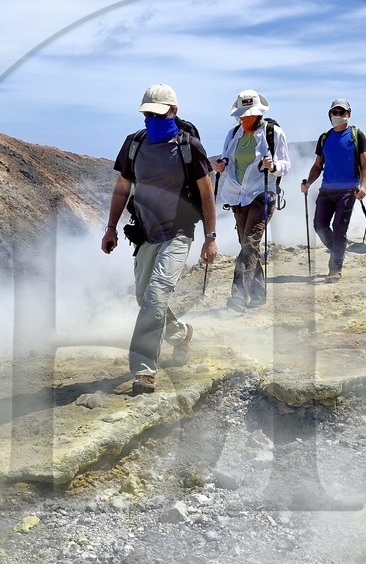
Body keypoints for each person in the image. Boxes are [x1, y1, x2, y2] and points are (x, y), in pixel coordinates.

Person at [102, 83, 219, 394]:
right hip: (145, 233)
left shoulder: (188, 148)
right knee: (144, 298)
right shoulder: (134, 145)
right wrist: (111, 228)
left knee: (154, 298)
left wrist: (210, 238)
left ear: (173, 112)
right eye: (147, 113)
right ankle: (180, 334)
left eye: (158, 113)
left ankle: (143, 372)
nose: (151, 118)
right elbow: (122, 188)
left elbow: (207, 194)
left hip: (179, 232)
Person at [212, 89, 290, 311]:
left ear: (258, 114)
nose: (244, 118)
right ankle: (258, 294)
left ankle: (237, 297)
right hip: (238, 196)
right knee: (248, 246)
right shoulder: (233, 134)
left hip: (262, 195)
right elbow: (227, 158)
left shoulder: (273, 133)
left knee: (249, 244)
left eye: (248, 114)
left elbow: (286, 164)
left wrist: (272, 166)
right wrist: (221, 166)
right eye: (241, 115)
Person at [300, 98, 366, 279]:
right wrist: (308, 182)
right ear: (330, 114)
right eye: (335, 112)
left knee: (339, 228)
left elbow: (365, 163)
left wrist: (363, 185)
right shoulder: (324, 138)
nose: (338, 115)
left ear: (349, 114)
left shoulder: (356, 135)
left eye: (342, 112)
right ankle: (338, 250)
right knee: (319, 225)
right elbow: (318, 165)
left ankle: (335, 268)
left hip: (348, 191)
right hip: (326, 190)